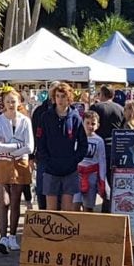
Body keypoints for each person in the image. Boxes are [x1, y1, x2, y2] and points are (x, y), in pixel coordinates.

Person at [35, 82, 88, 212]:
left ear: (69, 98)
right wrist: (47, 160)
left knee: (66, 209)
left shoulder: (75, 118)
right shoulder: (46, 117)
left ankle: (64, 232)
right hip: (51, 168)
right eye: (57, 96)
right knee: (51, 208)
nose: (60, 99)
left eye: (63, 96)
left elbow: (83, 143)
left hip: (69, 169)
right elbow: (40, 141)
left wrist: (74, 160)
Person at [0, 89, 34, 254]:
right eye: (8, 101)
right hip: (3, 162)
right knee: (4, 200)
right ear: (4, 103)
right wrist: (18, 145)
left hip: (20, 163)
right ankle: (2, 237)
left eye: (13, 101)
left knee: (16, 200)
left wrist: (10, 147)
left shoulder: (25, 121)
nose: (10, 104)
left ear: (19, 103)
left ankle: (12, 236)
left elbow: (30, 146)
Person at [76, 111, 107, 213]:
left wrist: (102, 180)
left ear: (97, 125)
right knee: (74, 204)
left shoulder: (99, 141)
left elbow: (102, 161)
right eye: (87, 123)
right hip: (76, 174)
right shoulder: (76, 138)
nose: (90, 126)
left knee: (88, 206)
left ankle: (87, 226)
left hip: (91, 176)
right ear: (82, 123)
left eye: (93, 124)